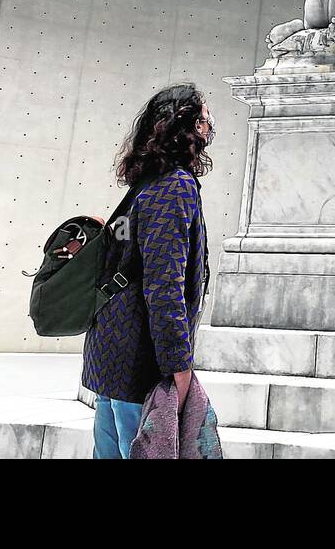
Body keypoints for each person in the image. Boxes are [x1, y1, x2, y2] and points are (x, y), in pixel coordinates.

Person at [82, 84, 213, 460]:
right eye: (204, 118)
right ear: (186, 126)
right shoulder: (175, 187)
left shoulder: (145, 184)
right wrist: (179, 365)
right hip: (138, 357)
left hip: (110, 350)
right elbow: (164, 285)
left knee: (109, 448)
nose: (209, 126)